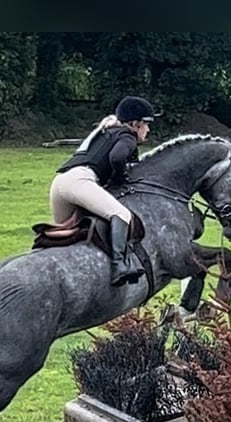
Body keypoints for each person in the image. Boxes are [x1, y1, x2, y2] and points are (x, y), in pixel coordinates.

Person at [49, 95, 160, 286]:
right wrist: (119, 179)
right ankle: (119, 266)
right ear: (135, 124)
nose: (148, 130)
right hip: (81, 180)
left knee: (67, 237)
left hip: (59, 183)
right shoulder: (127, 136)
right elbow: (117, 158)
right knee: (121, 214)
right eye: (146, 124)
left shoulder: (106, 130)